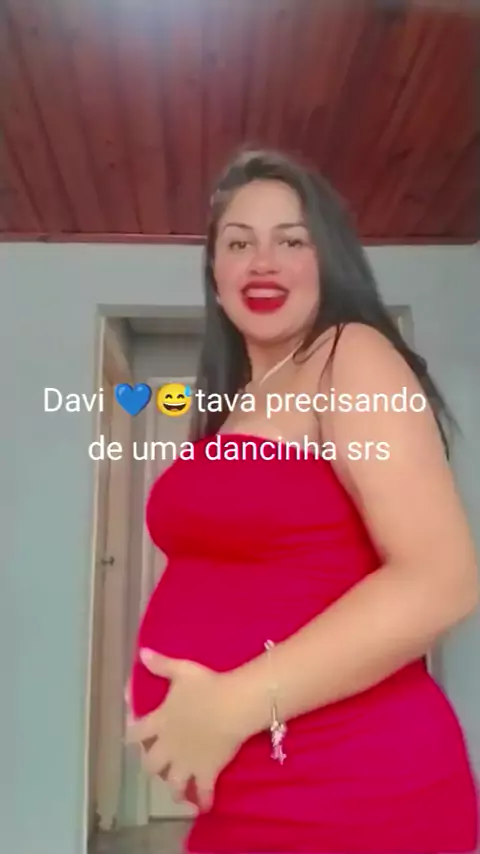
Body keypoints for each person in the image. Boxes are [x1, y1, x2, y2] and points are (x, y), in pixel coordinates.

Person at [126, 148, 479, 853]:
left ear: (329, 261)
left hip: (350, 792)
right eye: (238, 244)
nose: (263, 261)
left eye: (292, 241)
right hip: (250, 798)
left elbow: (442, 580)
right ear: (215, 274)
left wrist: (229, 706)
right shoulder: (237, 403)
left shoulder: (350, 355)